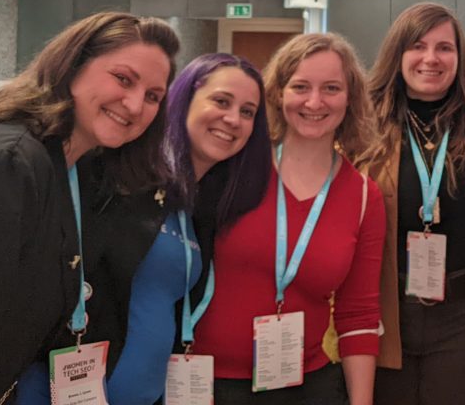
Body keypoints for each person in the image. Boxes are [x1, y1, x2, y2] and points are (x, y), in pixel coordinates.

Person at [0, 12, 179, 404]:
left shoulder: (66, 168)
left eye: (153, 96)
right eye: (123, 79)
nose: (135, 104)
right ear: (72, 66)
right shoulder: (7, 163)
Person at [14, 53, 272, 404]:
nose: (233, 119)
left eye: (248, 112)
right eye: (221, 101)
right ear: (183, 100)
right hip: (62, 391)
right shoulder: (121, 177)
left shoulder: (199, 207)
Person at [192, 33, 385, 405]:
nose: (314, 102)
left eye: (331, 88)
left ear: (350, 98)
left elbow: (358, 315)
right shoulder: (231, 167)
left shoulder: (363, 197)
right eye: (300, 87)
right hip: (206, 383)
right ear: (278, 93)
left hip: (305, 385)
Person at [359, 3, 465, 405]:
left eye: (444, 47)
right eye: (417, 46)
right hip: (386, 309)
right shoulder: (363, 124)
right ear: (397, 53)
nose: (431, 58)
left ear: (460, 57)